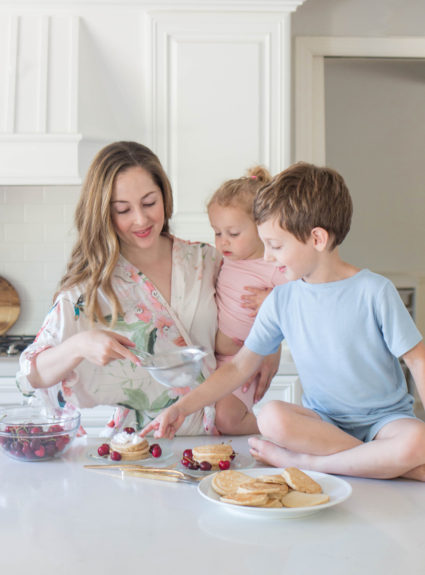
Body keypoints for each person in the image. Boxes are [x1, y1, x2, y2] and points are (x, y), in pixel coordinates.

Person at [141, 162, 425, 481]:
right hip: (323, 425)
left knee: (418, 439)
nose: (267, 258)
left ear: (317, 238)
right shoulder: (281, 300)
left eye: (275, 246)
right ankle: (382, 463)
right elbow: (238, 367)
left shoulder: (375, 291)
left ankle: (313, 463)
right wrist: (182, 408)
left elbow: (418, 359)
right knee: (272, 418)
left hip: (386, 422)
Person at [17, 141, 278, 435]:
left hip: (216, 447)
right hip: (141, 449)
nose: (141, 219)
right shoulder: (91, 290)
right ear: (104, 213)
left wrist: (271, 346)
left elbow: (258, 307)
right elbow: (30, 375)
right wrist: (79, 345)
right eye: (123, 209)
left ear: (165, 197)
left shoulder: (208, 260)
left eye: (149, 203)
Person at [206, 166, 287, 434]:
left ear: (260, 227)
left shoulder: (274, 266)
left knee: (227, 420)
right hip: (209, 359)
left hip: (243, 361)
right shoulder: (222, 261)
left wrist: (273, 299)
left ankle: (278, 434)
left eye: (233, 233)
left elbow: (304, 301)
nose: (223, 242)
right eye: (218, 232)